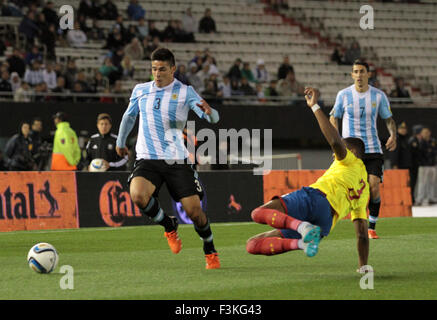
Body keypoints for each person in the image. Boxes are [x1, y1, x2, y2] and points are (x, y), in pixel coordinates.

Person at [115, 48, 221, 269]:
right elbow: (129, 116)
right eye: (154, 68)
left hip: (177, 160)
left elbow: (212, 118)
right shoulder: (141, 90)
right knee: (137, 195)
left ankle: (209, 248)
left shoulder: (185, 92)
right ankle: (168, 224)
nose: (157, 73)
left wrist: (210, 112)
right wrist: (120, 141)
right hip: (147, 158)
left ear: (173, 69)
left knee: (194, 212)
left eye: (162, 69)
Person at [246, 87, 370, 272]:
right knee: (252, 244)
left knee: (257, 214)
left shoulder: (350, 161)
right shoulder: (364, 187)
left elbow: (335, 142)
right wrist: (363, 267)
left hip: (316, 199)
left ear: (352, 152)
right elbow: (361, 233)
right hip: (325, 223)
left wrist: (314, 107)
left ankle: (301, 227)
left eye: (344, 149)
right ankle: (302, 244)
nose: (335, 153)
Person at [329, 59, 397, 239]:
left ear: (368, 74)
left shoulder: (378, 96)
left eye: (362, 71)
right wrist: (337, 143)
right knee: (345, 189)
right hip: (351, 152)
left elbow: (388, 119)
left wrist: (393, 135)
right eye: (356, 72)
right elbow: (333, 118)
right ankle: (329, 221)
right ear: (352, 75)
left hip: (373, 149)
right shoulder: (343, 95)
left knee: (374, 187)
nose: (359, 75)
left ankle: (372, 226)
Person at [415, 127, 437, 206]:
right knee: (422, 183)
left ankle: (431, 198)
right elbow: (419, 154)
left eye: (427, 132)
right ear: (421, 134)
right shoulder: (420, 142)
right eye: (424, 132)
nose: (426, 134)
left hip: (432, 165)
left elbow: (434, 152)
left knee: (432, 182)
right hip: (423, 165)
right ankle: (419, 199)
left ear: (430, 133)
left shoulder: (433, 141)